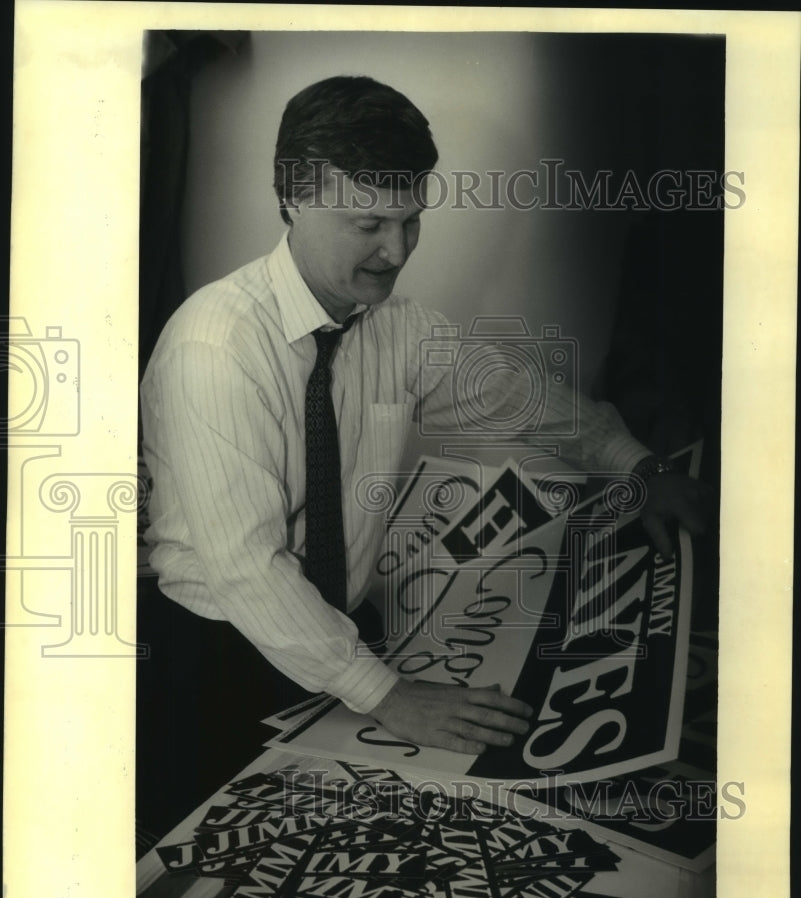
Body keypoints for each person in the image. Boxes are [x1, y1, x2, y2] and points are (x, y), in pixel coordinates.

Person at [138, 76, 709, 834]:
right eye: (370, 222)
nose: (397, 250)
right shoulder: (214, 347)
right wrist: (388, 696)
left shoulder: (394, 325)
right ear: (291, 199)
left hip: (340, 626)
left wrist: (635, 463)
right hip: (217, 653)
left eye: (411, 220)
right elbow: (247, 569)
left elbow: (517, 397)